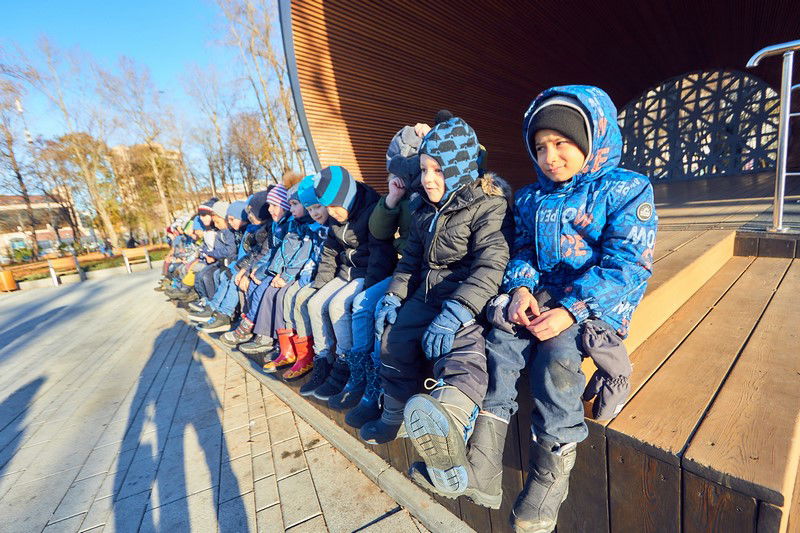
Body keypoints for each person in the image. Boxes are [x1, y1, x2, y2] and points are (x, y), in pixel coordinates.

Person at [419, 86, 657, 533]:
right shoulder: (531, 198)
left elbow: (628, 264)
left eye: (562, 143)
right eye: (541, 147)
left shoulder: (625, 188)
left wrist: (571, 310)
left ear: (591, 140)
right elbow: (523, 250)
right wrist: (521, 289)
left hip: (594, 302)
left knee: (557, 357)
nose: (551, 157)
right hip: (543, 295)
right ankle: (484, 464)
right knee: (501, 338)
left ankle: (550, 477)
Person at [362, 116, 513, 490]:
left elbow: (491, 263)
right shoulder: (424, 210)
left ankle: (451, 423)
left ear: (460, 168)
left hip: (464, 299)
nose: (429, 178)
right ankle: (394, 414)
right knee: (393, 339)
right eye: (425, 169)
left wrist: (459, 309)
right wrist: (394, 295)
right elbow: (411, 260)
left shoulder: (487, 206)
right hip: (425, 295)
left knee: (464, 349)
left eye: (439, 170)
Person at [296, 166, 389, 401]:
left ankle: (345, 361)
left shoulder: (371, 210)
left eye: (334, 206)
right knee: (314, 302)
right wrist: (321, 284)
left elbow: (380, 253)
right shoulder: (336, 218)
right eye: (325, 207)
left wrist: (368, 288)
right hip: (345, 272)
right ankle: (323, 359)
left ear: (346, 197)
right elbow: (330, 251)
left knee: (338, 305)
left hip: (365, 273)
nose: (331, 213)